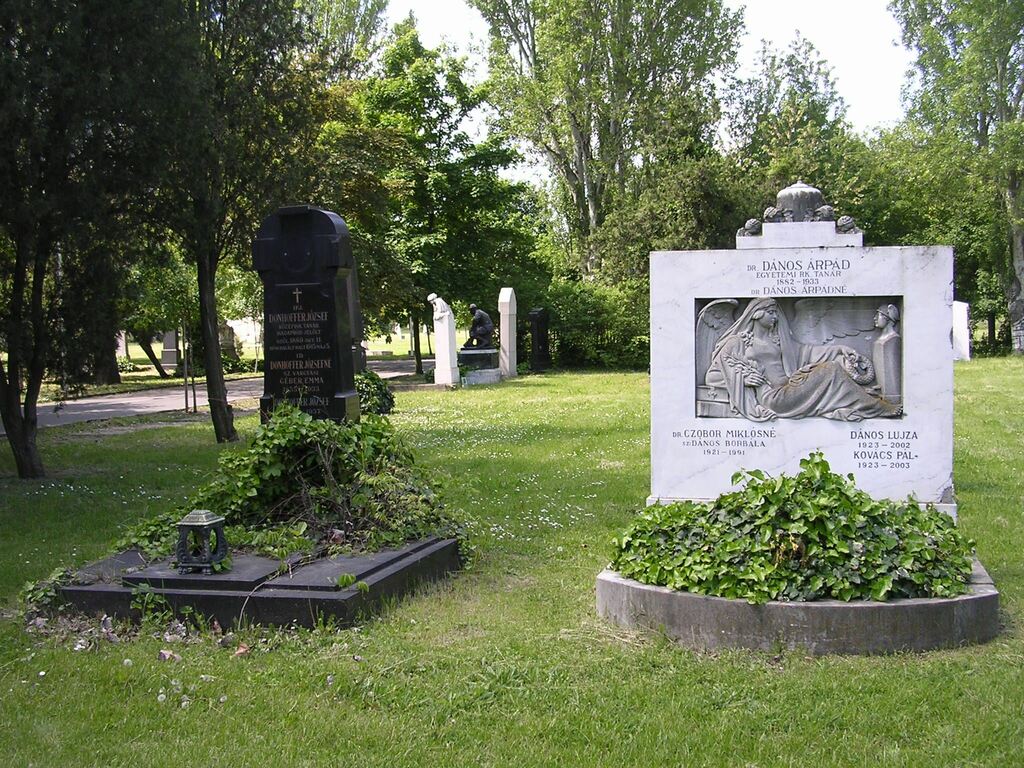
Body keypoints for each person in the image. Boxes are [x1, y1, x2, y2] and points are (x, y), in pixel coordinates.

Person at [705, 297, 902, 422]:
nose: (775, 317)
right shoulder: (738, 342)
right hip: (774, 399)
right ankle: (877, 408)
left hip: (791, 387)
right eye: (771, 313)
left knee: (834, 367)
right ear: (756, 314)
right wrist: (743, 380)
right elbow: (712, 377)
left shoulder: (778, 341)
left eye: (776, 313)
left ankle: (869, 404)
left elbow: (808, 353)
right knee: (832, 370)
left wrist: (839, 349)